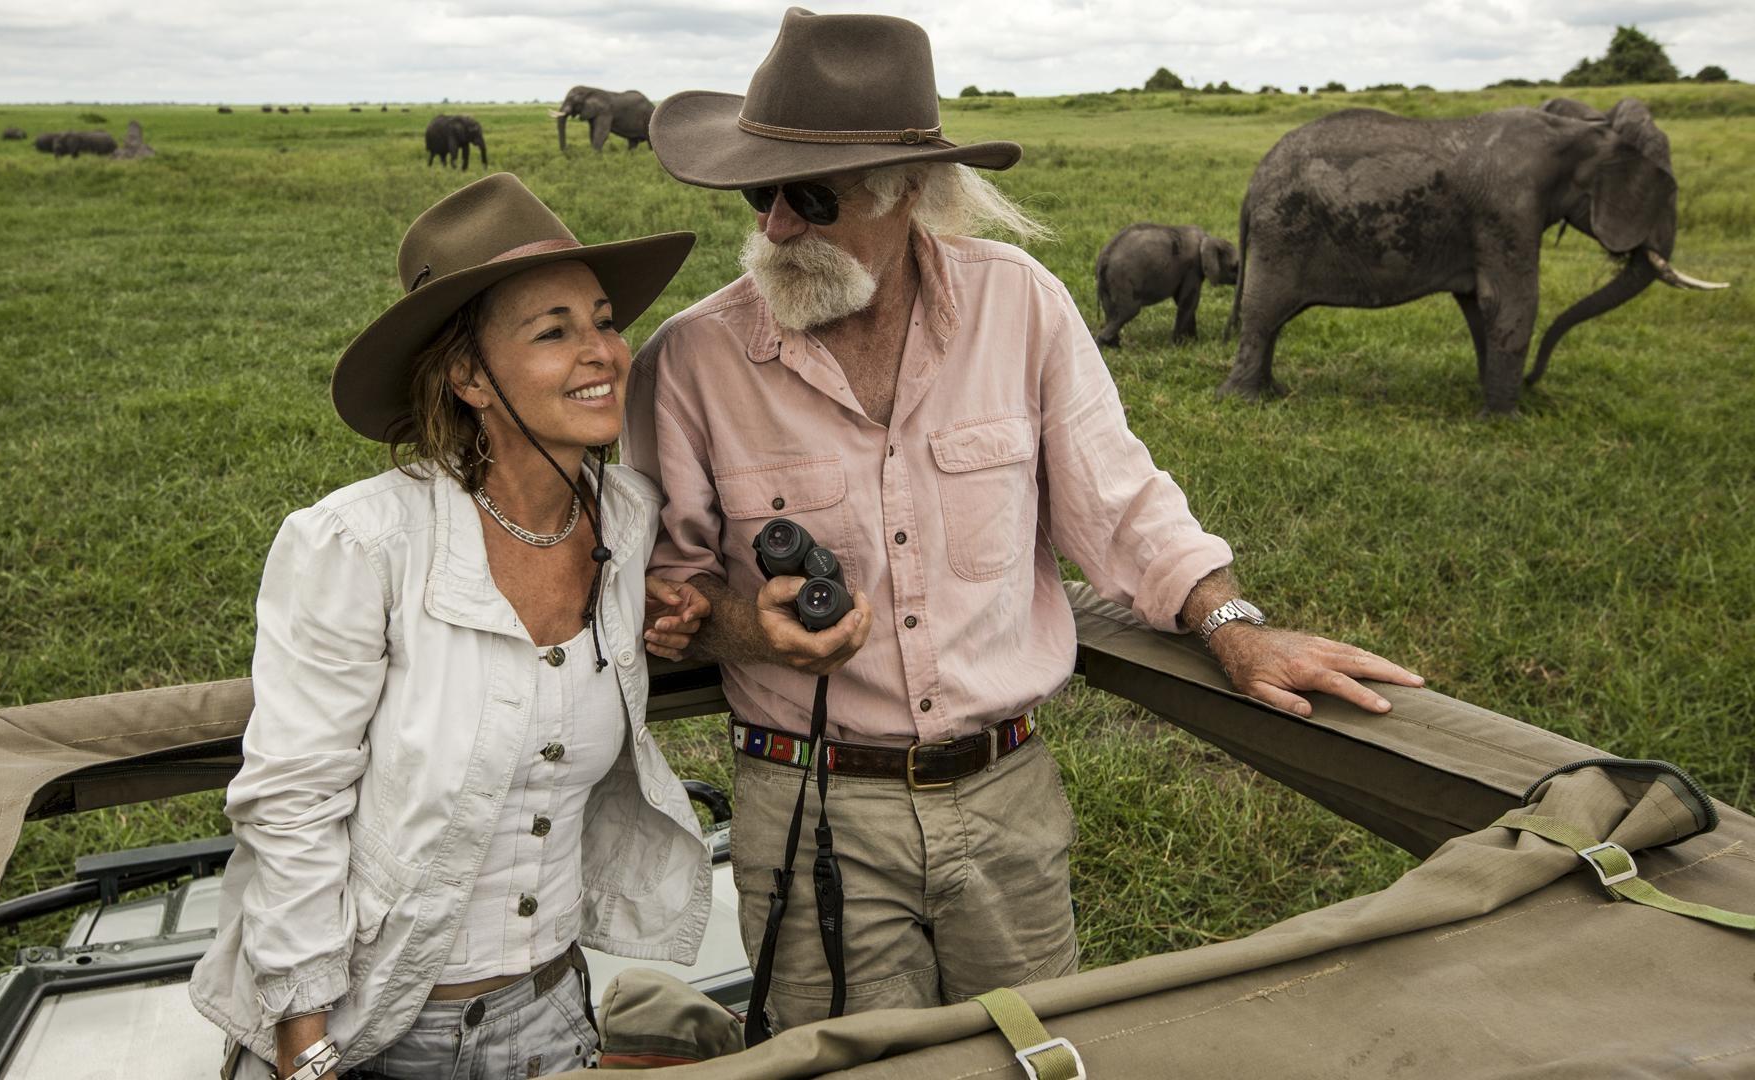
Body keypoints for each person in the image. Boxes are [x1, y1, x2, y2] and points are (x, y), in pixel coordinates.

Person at [624, 8, 1425, 1034]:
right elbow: (675, 593)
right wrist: (750, 627)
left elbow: (1123, 507)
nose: (774, 225)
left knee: (1032, 1050)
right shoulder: (692, 361)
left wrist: (1232, 626)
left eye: (811, 196)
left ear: (908, 191)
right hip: (807, 802)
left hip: (1003, 795)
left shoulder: (1024, 309)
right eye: (759, 191)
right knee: (844, 1066)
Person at [190, 173, 715, 1080]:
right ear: (469, 376)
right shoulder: (360, 545)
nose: (602, 352)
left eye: (601, 319)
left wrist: (685, 608)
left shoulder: (627, 522)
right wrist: (306, 1046)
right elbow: (294, 800)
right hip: (378, 1027)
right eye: (553, 332)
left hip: (556, 1009)